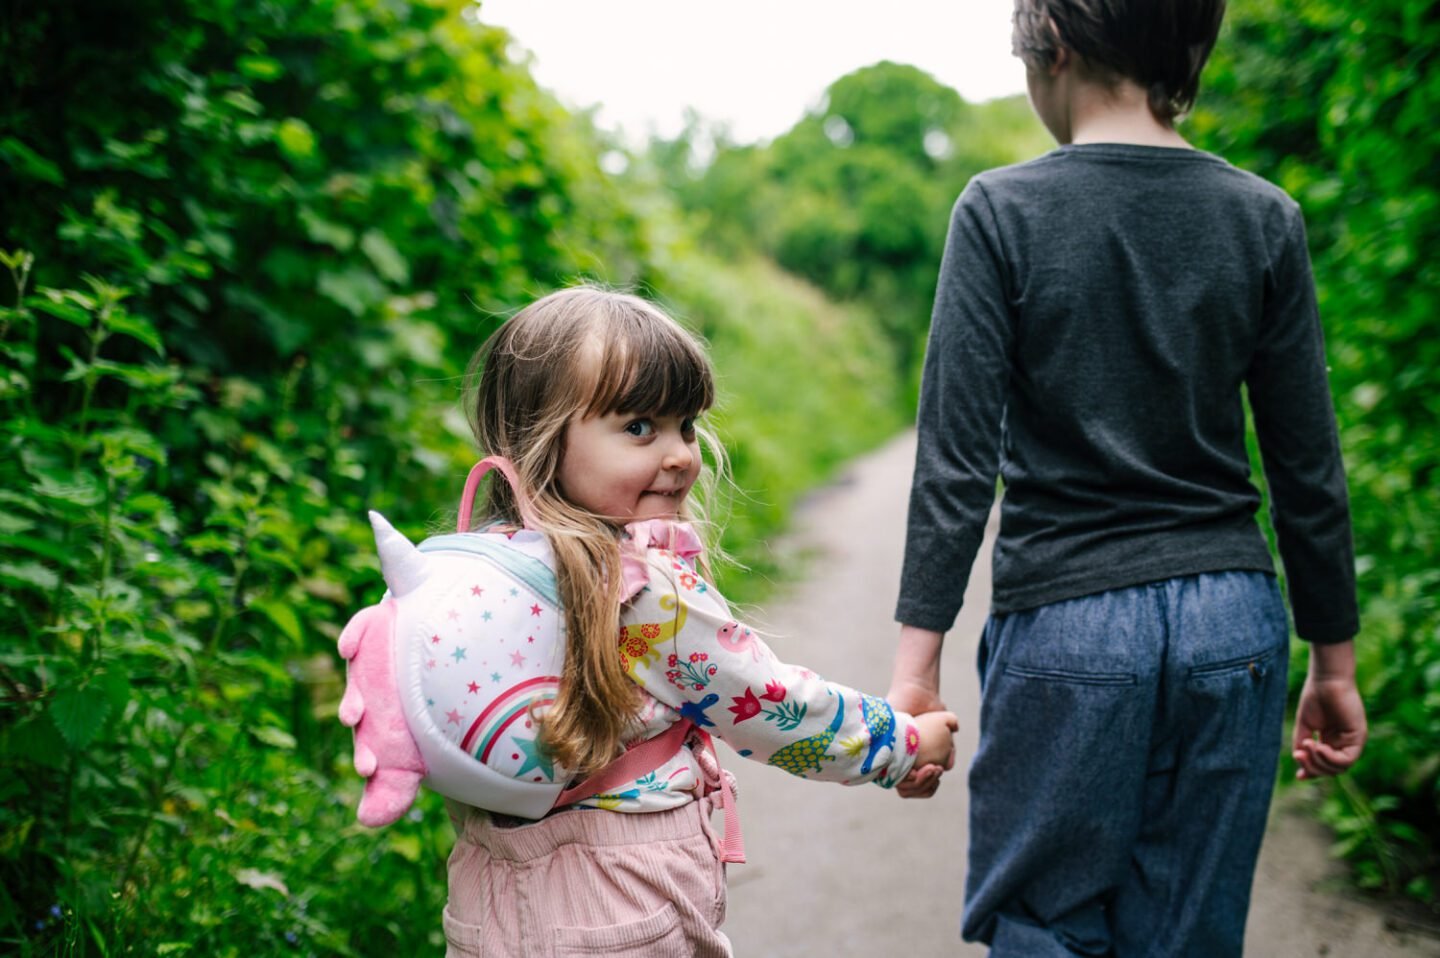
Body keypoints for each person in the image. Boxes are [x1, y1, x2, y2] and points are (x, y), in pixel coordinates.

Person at [886, 0, 1368, 954]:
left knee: (1043, 924)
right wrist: (1336, 661)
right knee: (1191, 930)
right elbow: (1305, 464)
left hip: (1069, 624)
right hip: (1235, 620)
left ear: (1051, 47)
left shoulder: (1000, 209)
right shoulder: (1263, 216)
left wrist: (915, 672)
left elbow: (955, 461)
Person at [440, 285, 959, 957]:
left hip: (484, 900)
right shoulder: (638, 591)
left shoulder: (486, 572)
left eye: (685, 425)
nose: (682, 453)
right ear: (540, 436)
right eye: (638, 427)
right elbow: (774, 707)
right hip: (619, 902)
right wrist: (902, 743)